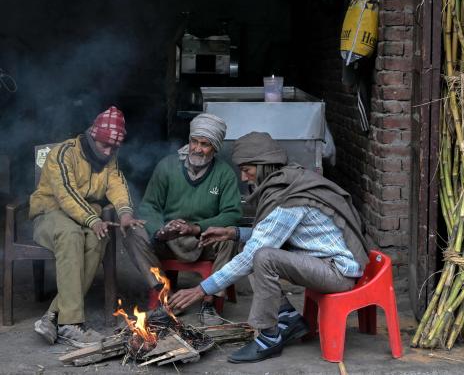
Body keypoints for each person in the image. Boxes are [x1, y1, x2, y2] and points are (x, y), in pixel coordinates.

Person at [169, 131, 370, 363]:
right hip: (322, 262)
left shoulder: (288, 200)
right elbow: (272, 235)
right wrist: (232, 233)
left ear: (264, 165)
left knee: (262, 257)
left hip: (336, 272)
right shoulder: (288, 179)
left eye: (247, 170)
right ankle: (287, 318)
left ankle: (269, 337)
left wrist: (201, 289)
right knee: (258, 249)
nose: (244, 177)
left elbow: (256, 252)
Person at [30, 106, 146, 347]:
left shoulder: (110, 157)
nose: (108, 151)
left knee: (97, 238)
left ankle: (53, 316)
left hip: (86, 218)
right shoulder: (63, 153)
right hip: (51, 213)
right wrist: (93, 220)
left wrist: (125, 214)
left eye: (114, 147)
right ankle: (71, 324)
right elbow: (65, 194)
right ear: (92, 136)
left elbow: (117, 185)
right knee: (71, 234)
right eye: (105, 146)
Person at [123, 113, 242, 325]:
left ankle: (210, 302)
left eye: (205, 144)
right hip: (168, 239)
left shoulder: (224, 174)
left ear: (215, 147)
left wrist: (196, 228)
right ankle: (162, 294)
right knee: (132, 231)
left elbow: (232, 213)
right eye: (194, 141)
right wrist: (160, 229)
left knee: (230, 237)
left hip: (204, 239)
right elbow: (149, 205)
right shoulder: (167, 166)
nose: (197, 148)